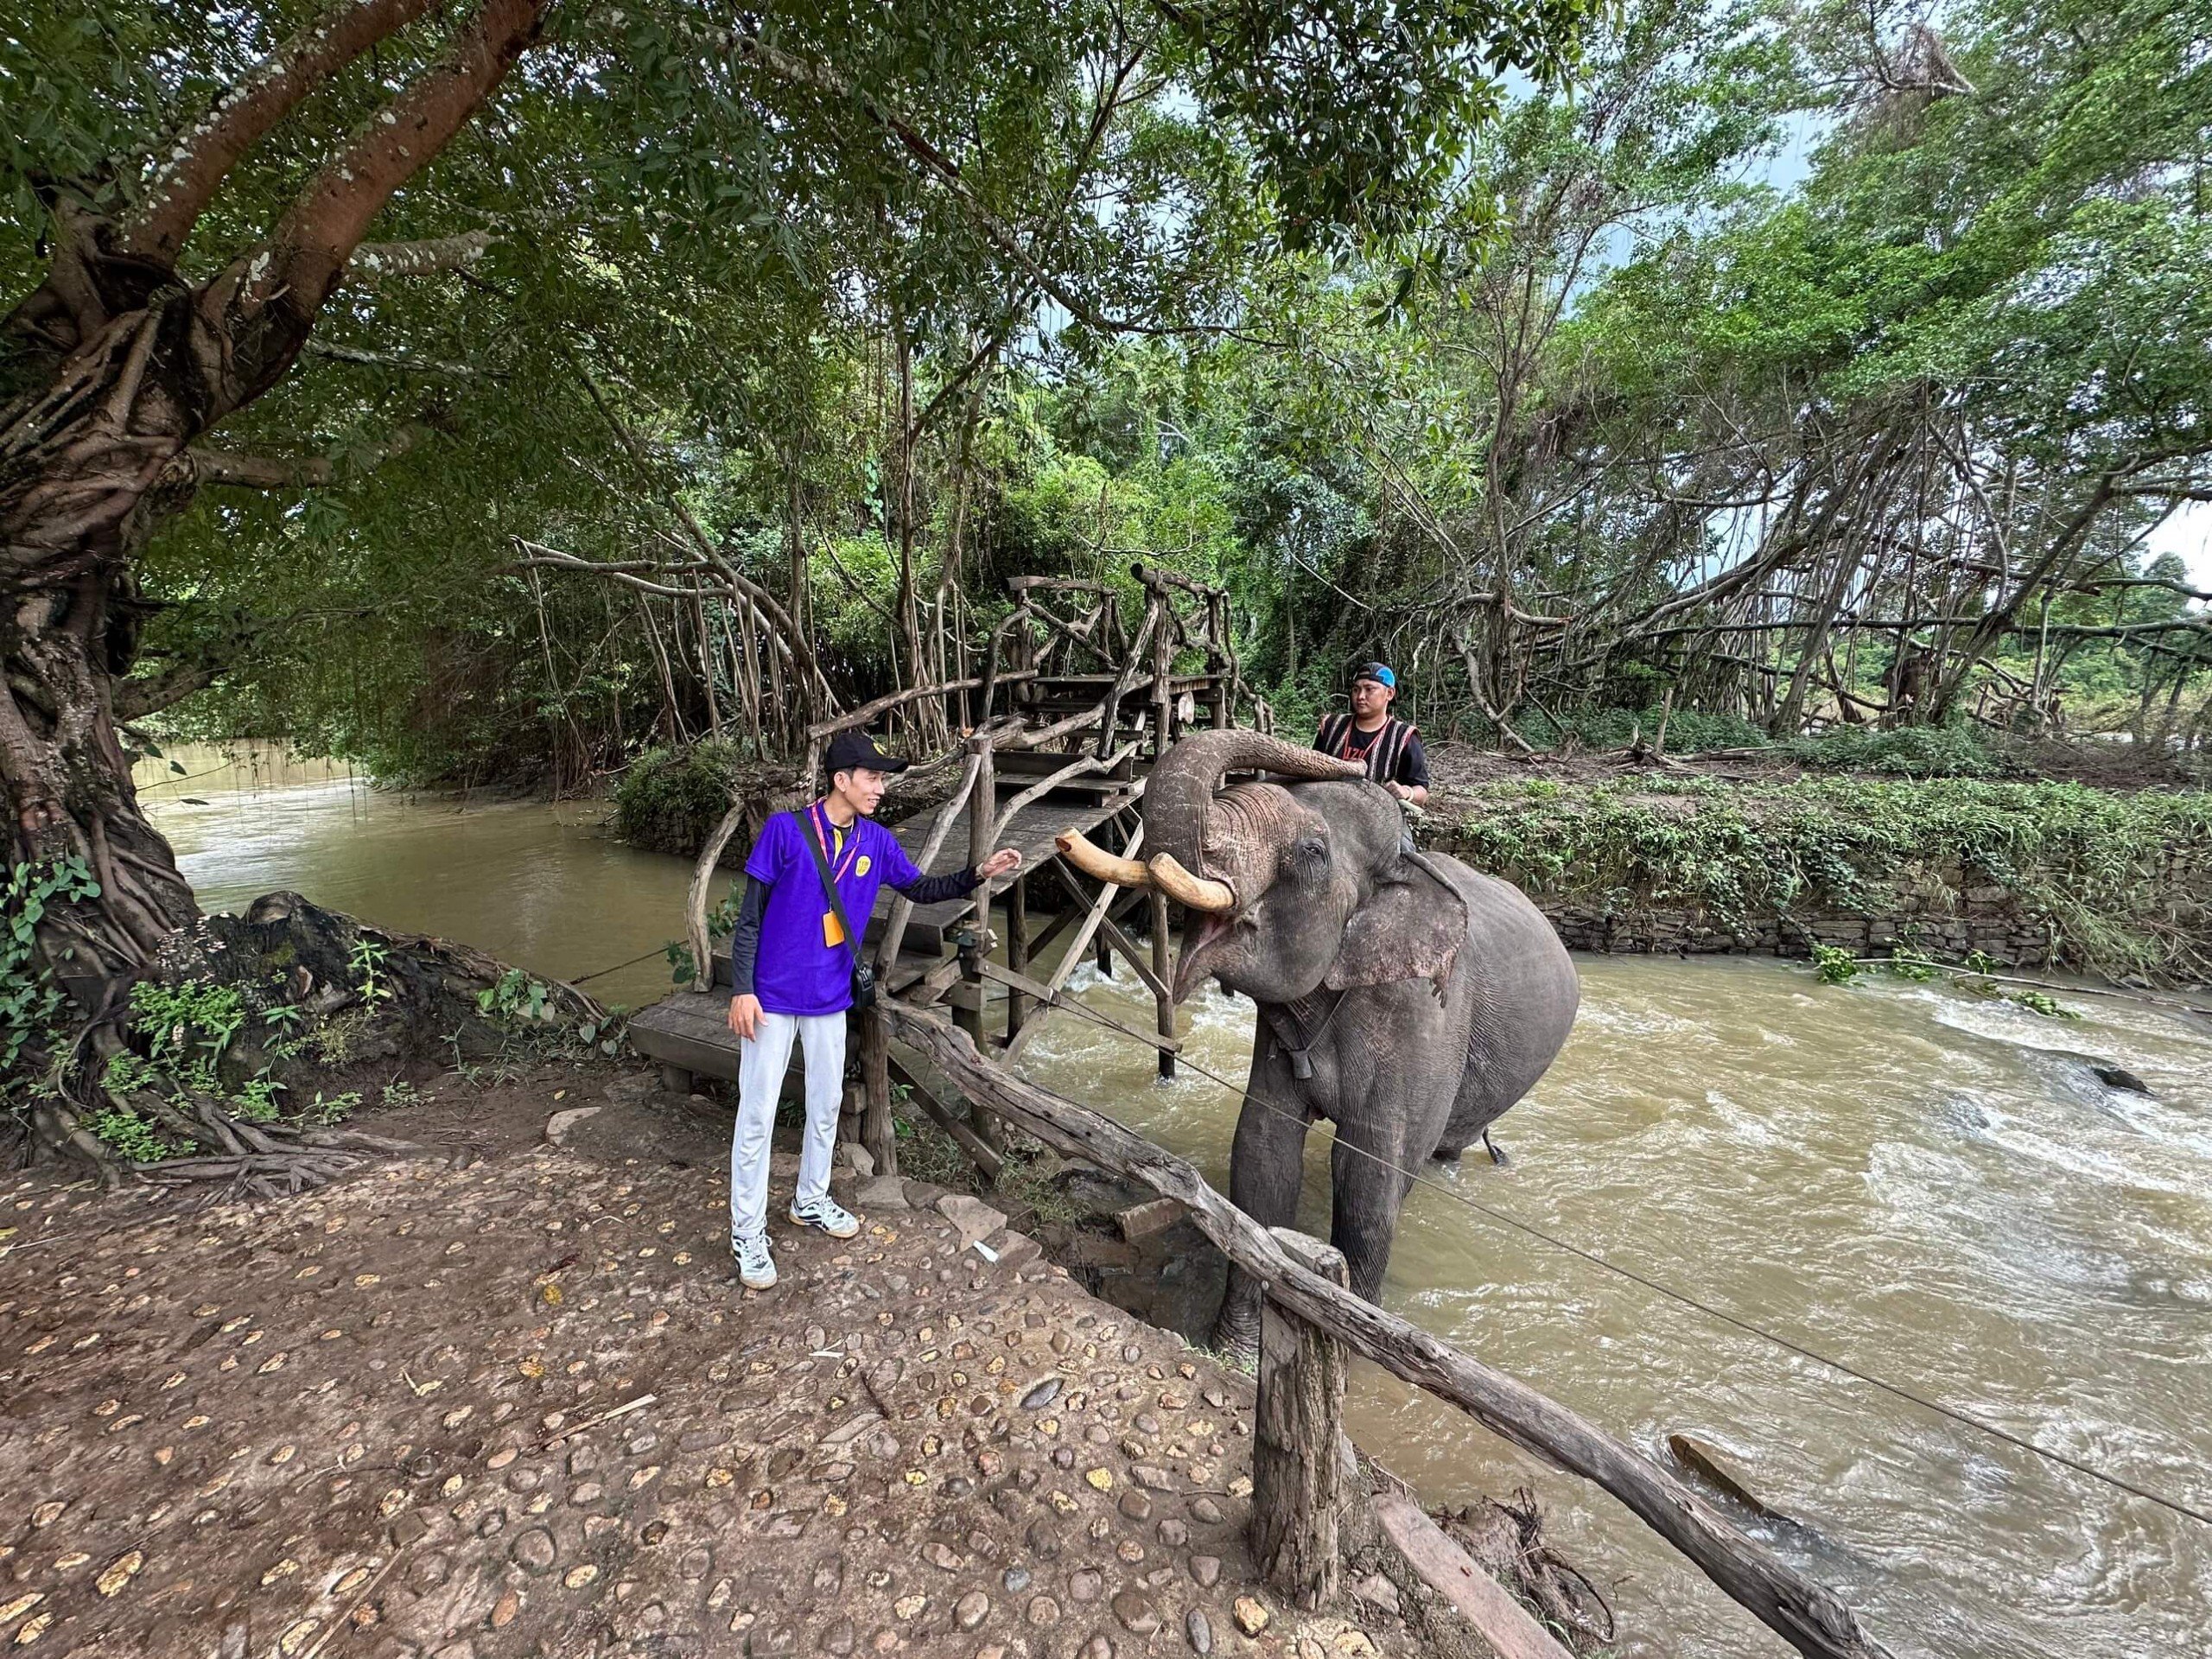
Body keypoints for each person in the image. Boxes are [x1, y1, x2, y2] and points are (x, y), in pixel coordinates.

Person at [723, 729, 1022, 1289]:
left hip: (830, 1000)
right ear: (842, 779)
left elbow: (924, 890)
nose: (881, 788)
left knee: (827, 1102)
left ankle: (809, 1200)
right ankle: (746, 1231)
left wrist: (978, 874)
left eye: (882, 779)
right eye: (874, 777)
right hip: (770, 999)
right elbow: (748, 920)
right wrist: (741, 989)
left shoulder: (877, 843)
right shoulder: (785, 832)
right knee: (758, 1114)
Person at [1314, 662, 1430, 805]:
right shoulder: (1332, 726)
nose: (1360, 696)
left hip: (1378, 819)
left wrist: (1407, 792)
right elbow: (1313, 766)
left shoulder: (1404, 737)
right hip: (1327, 809)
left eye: (1369, 689)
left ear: (1389, 693)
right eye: (1356, 690)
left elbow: (1422, 791)